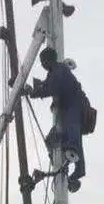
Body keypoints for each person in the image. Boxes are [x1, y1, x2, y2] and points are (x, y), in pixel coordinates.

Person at [26, 47, 94, 193]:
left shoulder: (60, 70)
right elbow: (46, 85)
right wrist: (33, 89)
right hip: (67, 108)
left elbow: (49, 88)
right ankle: (71, 166)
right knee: (53, 138)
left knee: (72, 126)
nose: (42, 65)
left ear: (48, 60)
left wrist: (32, 92)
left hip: (76, 104)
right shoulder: (53, 73)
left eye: (43, 61)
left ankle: (73, 151)